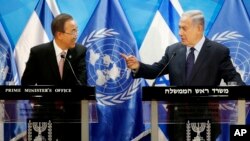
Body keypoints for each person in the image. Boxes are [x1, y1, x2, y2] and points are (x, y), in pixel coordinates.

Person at [122, 10, 245, 141]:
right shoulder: (173, 50)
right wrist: (138, 66)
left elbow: (233, 78)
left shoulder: (218, 52)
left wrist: (241, 91)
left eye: (184, 28)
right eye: (179, 28)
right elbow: (156, 70)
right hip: (177, 121)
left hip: (206, 121)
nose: (180, 32)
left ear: (199, 28)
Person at [21, 13, 87, 141]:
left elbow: (81, 82)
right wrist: (38, 99)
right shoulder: (38, 53)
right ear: (59, 35)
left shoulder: (80, 52)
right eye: (73, 31)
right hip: (44, 114)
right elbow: (26, 84)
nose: (76, 34)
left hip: (72, 116)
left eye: (76, 30)